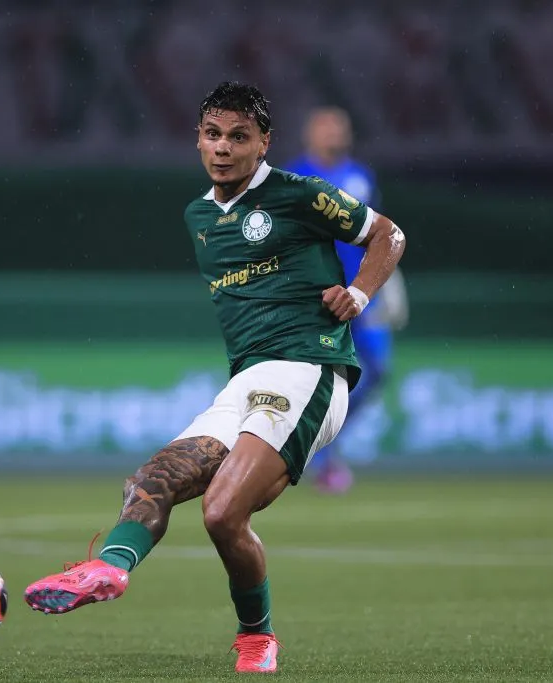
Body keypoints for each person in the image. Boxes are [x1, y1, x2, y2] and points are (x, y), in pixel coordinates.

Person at [23, 82, 406, 674]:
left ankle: (256, 638)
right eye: (212, 134)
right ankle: (108, 569)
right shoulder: (199, 216)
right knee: (151, 478)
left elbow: (389, 234)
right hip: (247, 381)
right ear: (198, 139)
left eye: (238, 137)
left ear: (263, 144)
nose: (223, 148)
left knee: (222, 511)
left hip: (310, 370)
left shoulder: (299, 193)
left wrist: (359, 293)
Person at [284, 107, 408, 494]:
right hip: (317, 294)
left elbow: (377, 234)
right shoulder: (292, 177)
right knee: (313, 378)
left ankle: (323, 446)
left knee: (377, 370)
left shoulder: (360, 177)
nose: (334, 134)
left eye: (339, 128)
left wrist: (389, 278)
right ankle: (309, 455)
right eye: (326, 128)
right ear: (309, 133)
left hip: (362, 291)